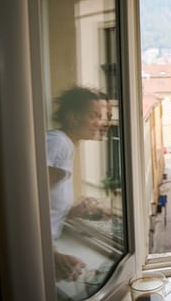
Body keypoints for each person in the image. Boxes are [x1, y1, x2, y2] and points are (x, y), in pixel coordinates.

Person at [47, 85, 102, 281]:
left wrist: (72, 211)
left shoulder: (66, 146)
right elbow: (27, 205)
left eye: (99, 117)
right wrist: (51, 254)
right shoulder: (58, 144)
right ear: (73, 117)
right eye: (93, 116)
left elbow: (47, 206)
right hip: (34, 250)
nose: (98, 123)